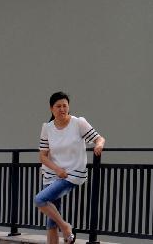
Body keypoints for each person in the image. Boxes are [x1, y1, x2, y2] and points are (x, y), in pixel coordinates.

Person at [36, 92, 105, 244]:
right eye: (58, 106)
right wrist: (56, 169)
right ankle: (66, 232)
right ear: (51, 109)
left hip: (72, 174)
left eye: (65, 106)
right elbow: (42, 156)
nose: (62, 109)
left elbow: (99, 138)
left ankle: (66, 228)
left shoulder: (78, 123)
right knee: (51, 220)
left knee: (40, 199)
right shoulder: (47, 128)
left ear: (69, 107)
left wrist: (99, 145)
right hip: (52, 174)